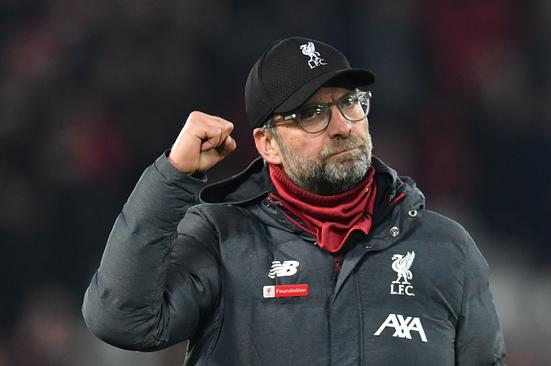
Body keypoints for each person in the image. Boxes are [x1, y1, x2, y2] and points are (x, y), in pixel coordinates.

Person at [82, 37, 506, 366]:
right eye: (312, 114)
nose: (342, 126)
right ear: (267, 143)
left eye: (350, 103)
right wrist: (173, 176)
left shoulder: (445, 247)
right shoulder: (222, 238)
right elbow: (121, 318)